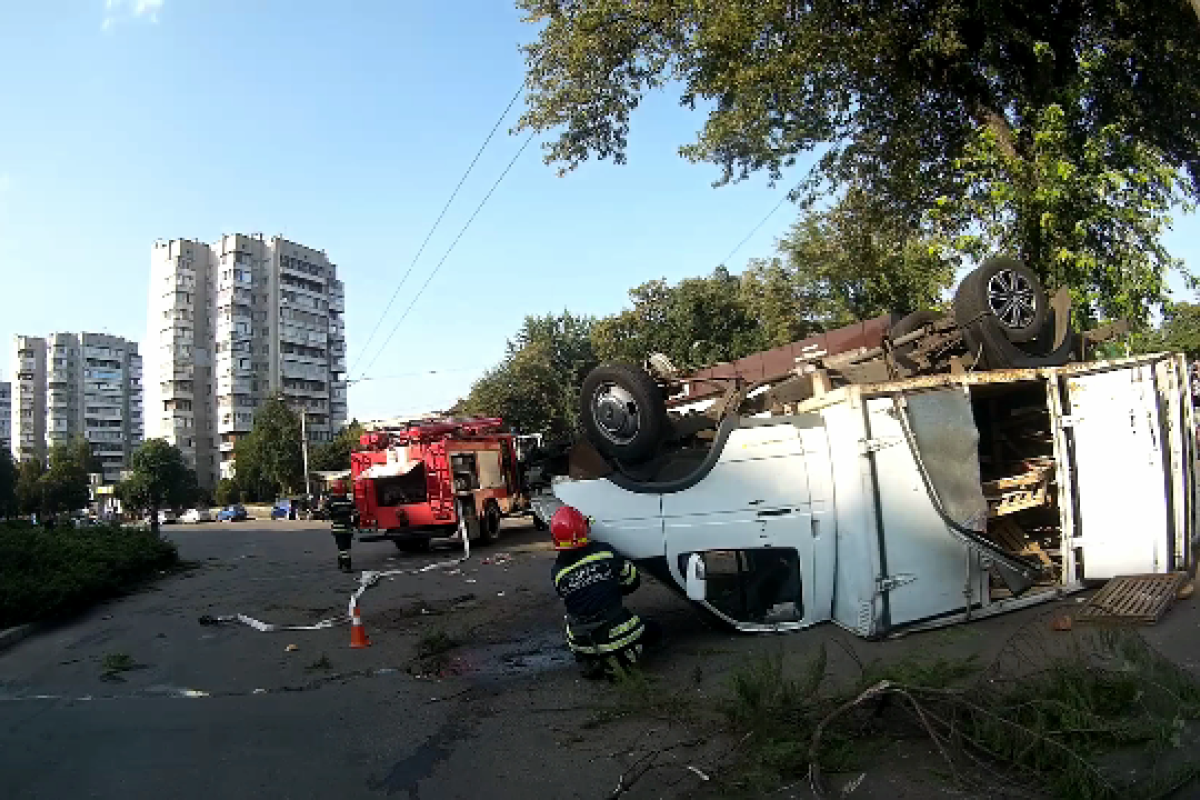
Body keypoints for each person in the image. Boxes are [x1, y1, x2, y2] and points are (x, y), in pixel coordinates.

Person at [550, 505, 658, 679]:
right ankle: (625, 657)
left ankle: (592, 658)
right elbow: (632, 582)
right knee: (654, 630)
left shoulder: (557, 572)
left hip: (580, 640)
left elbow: (571, 598)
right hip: (615, 631)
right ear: (584, 529)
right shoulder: (605, 552)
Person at [327, 481, 358, 572]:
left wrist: (333, 516)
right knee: (347, 548)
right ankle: (343, 563)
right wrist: (355, 524)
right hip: (348, 528)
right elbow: (356, 514)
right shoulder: (349, 502)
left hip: (338, 529)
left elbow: (325, 513)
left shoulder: (331, 502)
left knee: (342, 548)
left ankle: (346, 565)